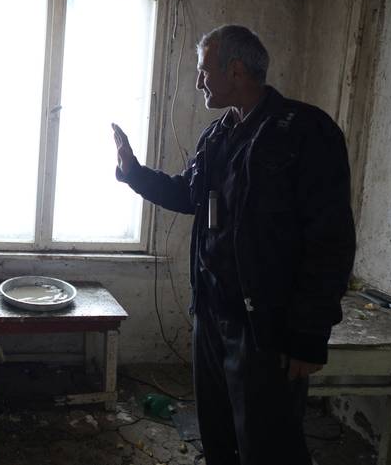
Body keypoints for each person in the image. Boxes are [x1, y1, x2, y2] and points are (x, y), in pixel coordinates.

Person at [112, 25, 355, 465]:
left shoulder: (305, 132)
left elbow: (330, 239)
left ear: (237, 70)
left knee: (269, 441)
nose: (199, 82)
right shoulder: (218, 135)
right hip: (212, 312)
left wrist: (308, 335)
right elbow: (188, 194)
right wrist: (134, 172)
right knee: (218, 431)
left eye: (205, 71)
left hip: (267, 325)